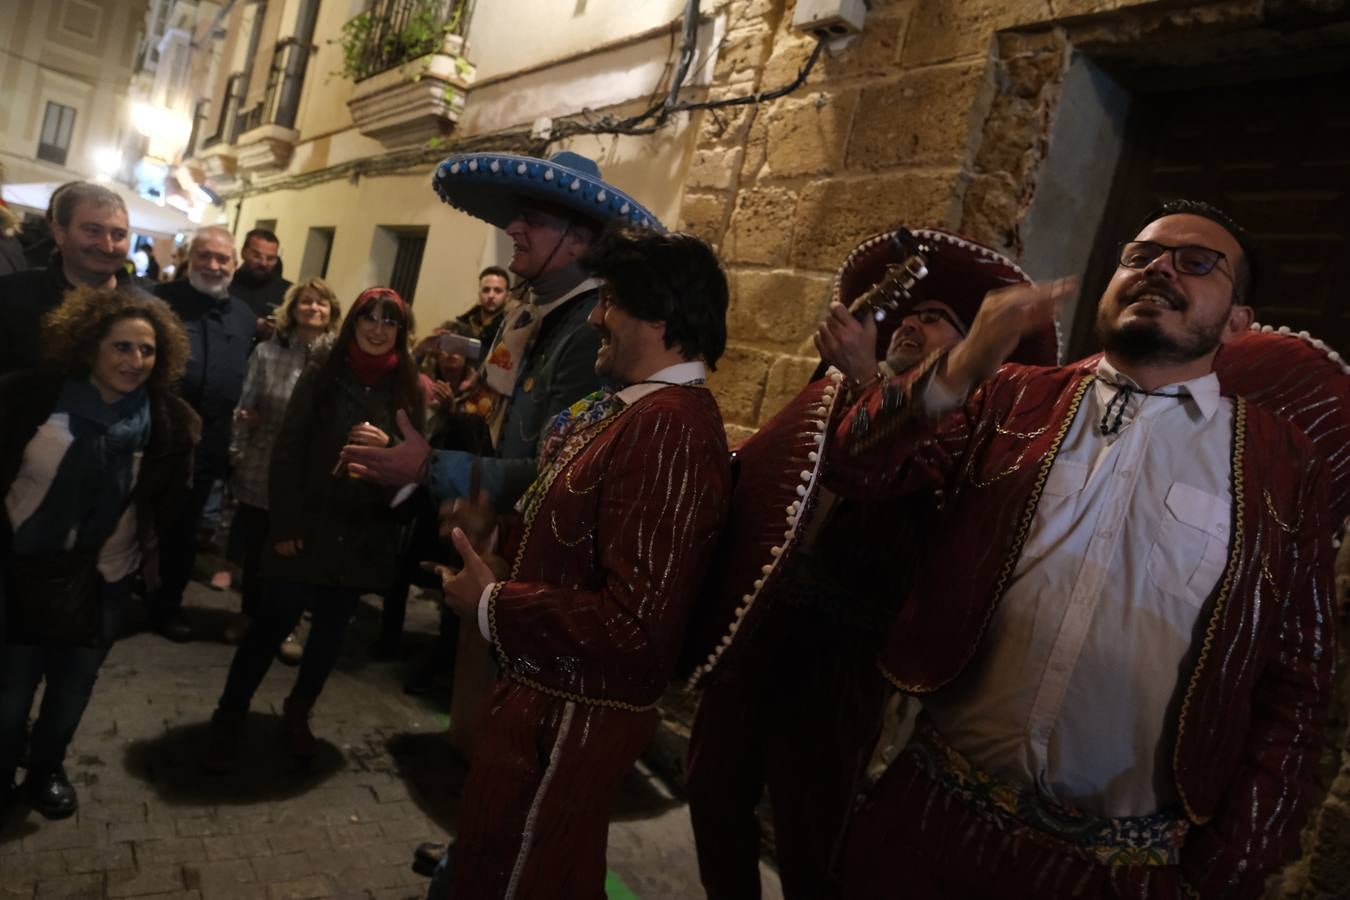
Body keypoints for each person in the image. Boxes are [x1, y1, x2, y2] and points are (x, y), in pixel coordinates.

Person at [828, 200, 1336, 898]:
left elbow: (1297, 682)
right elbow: (857, 465)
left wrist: (1227, 867)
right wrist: (964, 363)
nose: (1159, 267)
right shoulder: (1009, 400)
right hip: (929, 816)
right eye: (1141, 255)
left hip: (1115, 871)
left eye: (1196, 262)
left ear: (1239, 320)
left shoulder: (1282, 466)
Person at [685, 228, 1058, 900]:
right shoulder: (833, 391)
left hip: (845, 652)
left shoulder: (964, 424)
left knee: (812, 831)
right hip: (767, 623)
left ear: (970, 347)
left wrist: (864, 378)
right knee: (712, 790)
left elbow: (882, 473)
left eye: (939, 319)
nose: (914, 321)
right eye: (910, 312)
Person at [405, 226, 732, 898]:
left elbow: (635, 622)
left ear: (661, 316)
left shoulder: (669, 426)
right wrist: (494, 532)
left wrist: (492, 604)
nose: (593, 318)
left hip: (569, 727)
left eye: (609, 301)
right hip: (544, 711)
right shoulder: (639, 412)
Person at [341, 150, 665, 509]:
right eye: (515, 217)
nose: (512, 228)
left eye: (532, 219)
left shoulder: (589, 333)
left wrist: (429, 467)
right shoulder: (525, 318)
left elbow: (555, 473)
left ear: (579, 240)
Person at [203, 287, 425, 771]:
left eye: (390, 321)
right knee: (271, 624)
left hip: (361, 531)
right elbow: (288, 449)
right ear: (354, 322)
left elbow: (415, 461)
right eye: (370, 317)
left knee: (329, 633)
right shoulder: (324, 372)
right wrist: (285, 524)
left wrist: (389, 446)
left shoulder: (408, 385)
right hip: (307, 525)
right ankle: (230, 711)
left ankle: (298, 712)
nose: (378, 328)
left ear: (401, 332)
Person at [0, 286, 198, 820]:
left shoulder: (168, 421)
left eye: (147, 350)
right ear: (90, 347)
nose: (136, 361)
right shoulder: (30, 401)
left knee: (73, 685)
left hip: (106, 575)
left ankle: (46, 769)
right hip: (23, 569)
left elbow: (169, 504)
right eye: (122, 347)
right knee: (12, 690)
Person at [224, 277, 342, 652]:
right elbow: (246, 406)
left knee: (298, 555)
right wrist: (238, 452)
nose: (313, 308)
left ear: (332, 313)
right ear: (292, 309)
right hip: (263, 466)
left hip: (309, 474)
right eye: (306, 302)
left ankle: (289, 626)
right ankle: (250, 616)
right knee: (258, 550)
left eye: (322, 303)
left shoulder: (338, 360)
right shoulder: (267, 353)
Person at [149, 227, 256, 641]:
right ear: (190, 258)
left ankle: (168, 605)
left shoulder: (244, 316)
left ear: (234, 264)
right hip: (157, 435)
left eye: (222, 259)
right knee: (138, 520)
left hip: (209, 443)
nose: (213, 266)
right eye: (205, 257)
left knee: (185, 528)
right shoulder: (159, 301)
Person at [0, 183, 142, 375]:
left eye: (119, 235)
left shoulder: (147, 310)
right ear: (60, 233)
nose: (107, 246)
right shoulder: (11, 297)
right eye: (93, 230)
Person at [230, 228, 292, 343]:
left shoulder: (288, 291)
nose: (263, 263)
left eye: (270, 258)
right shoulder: (225, 283)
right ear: (243, 252)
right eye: (256, 256)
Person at [453, 265, 509, 351]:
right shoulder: (463, 323)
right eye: (486, 290)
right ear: (479, 293)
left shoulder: (509, 329)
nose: (491, 295)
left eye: (497, 290)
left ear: (507, 296)